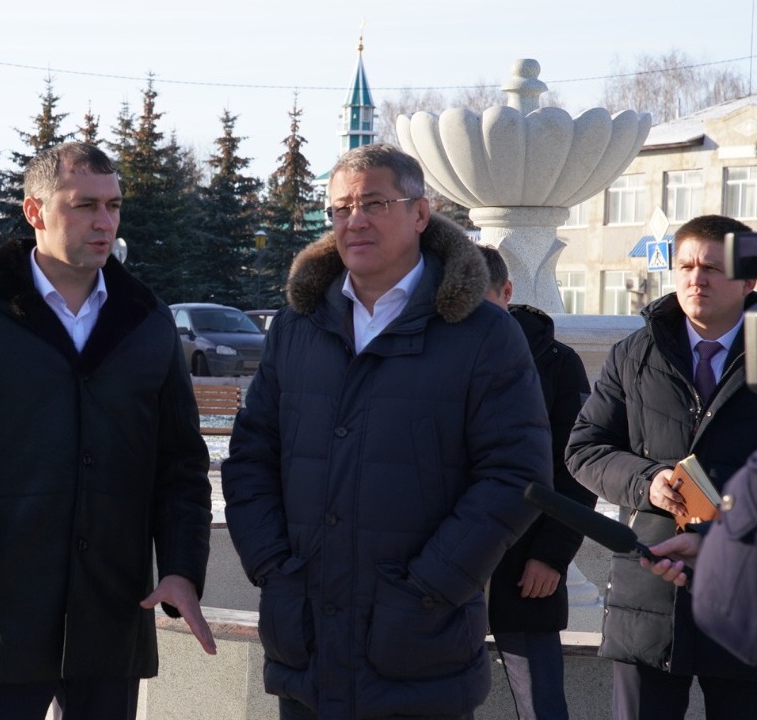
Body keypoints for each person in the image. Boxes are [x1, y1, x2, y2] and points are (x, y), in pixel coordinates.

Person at [0, 141, 216, 720]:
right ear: (34, 211)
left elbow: (182, 465)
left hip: (112, 615)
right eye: (85, 205)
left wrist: (182, 569)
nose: (104, 221)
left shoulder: (147, 319)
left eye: (113, 206)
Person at [221, 143, 552, 719]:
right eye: (341, 208)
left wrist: (429, 587)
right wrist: (273, 566)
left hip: (419, 651)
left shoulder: (482, 333)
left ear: (420, 214)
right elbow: (251, 456)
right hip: (307, 643)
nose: (355, 220)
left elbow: (515, 475)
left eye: (374, 203)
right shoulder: (298, 326)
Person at [565, 214, 757, 720]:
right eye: (687, 266)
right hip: (649, 591)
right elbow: (584, 449)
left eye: (713, 268)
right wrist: (647, 482)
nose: (697, 279)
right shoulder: (635, 353)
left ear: (749, 280)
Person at [479, 244, 596, 720]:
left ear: (506, 291)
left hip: (527, 565)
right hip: (442, 571)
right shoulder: (431, 358)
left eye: (477, 299)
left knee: (542, 706)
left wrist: (551, 555)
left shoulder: (557, 362)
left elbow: (577, 469)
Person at [641, 449, 757, 666]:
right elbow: (586, 449)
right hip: (647, 612)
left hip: (734, 617)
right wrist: (645, 480)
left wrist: (715, 546)